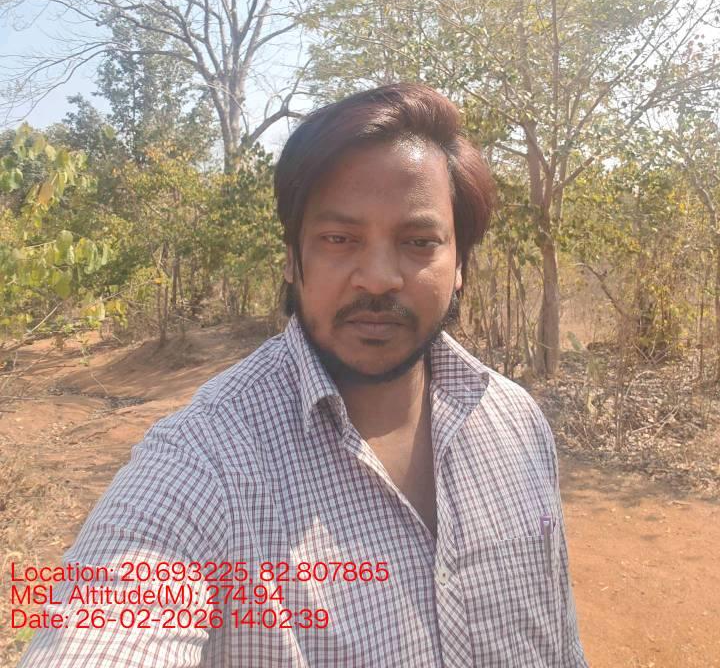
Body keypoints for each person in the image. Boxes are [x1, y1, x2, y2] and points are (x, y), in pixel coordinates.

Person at [17, 83, 588, 667]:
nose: (378, 278)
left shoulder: (516, 422)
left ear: (459, 263)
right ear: (292, 258)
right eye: (339, 239)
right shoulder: (205, 462)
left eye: (419, 242)